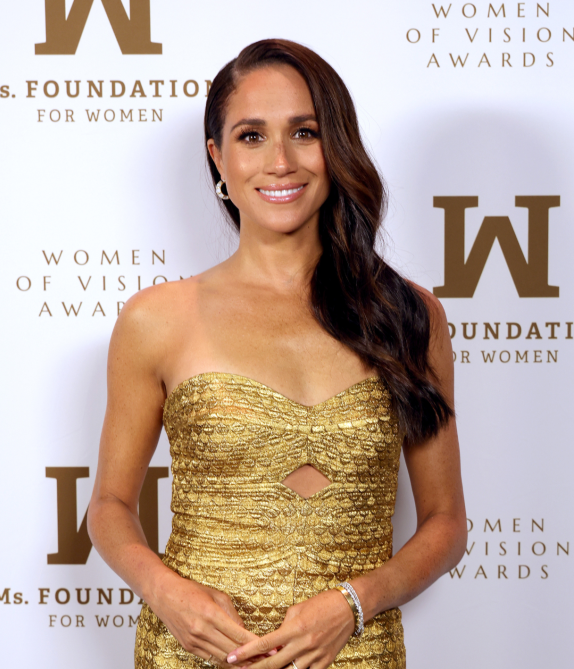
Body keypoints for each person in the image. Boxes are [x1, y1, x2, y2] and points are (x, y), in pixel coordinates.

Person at [87, 39, 467, 669]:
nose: (282, 161)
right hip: (199, 652)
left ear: (335, 146)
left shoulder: (410, 315)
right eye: (252, 136)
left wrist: (354, 601)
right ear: (218, 157)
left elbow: (446, 522)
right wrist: (166, 592)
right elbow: (108, 506)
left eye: (305, 132)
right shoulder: (157, 318)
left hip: (355, 650)